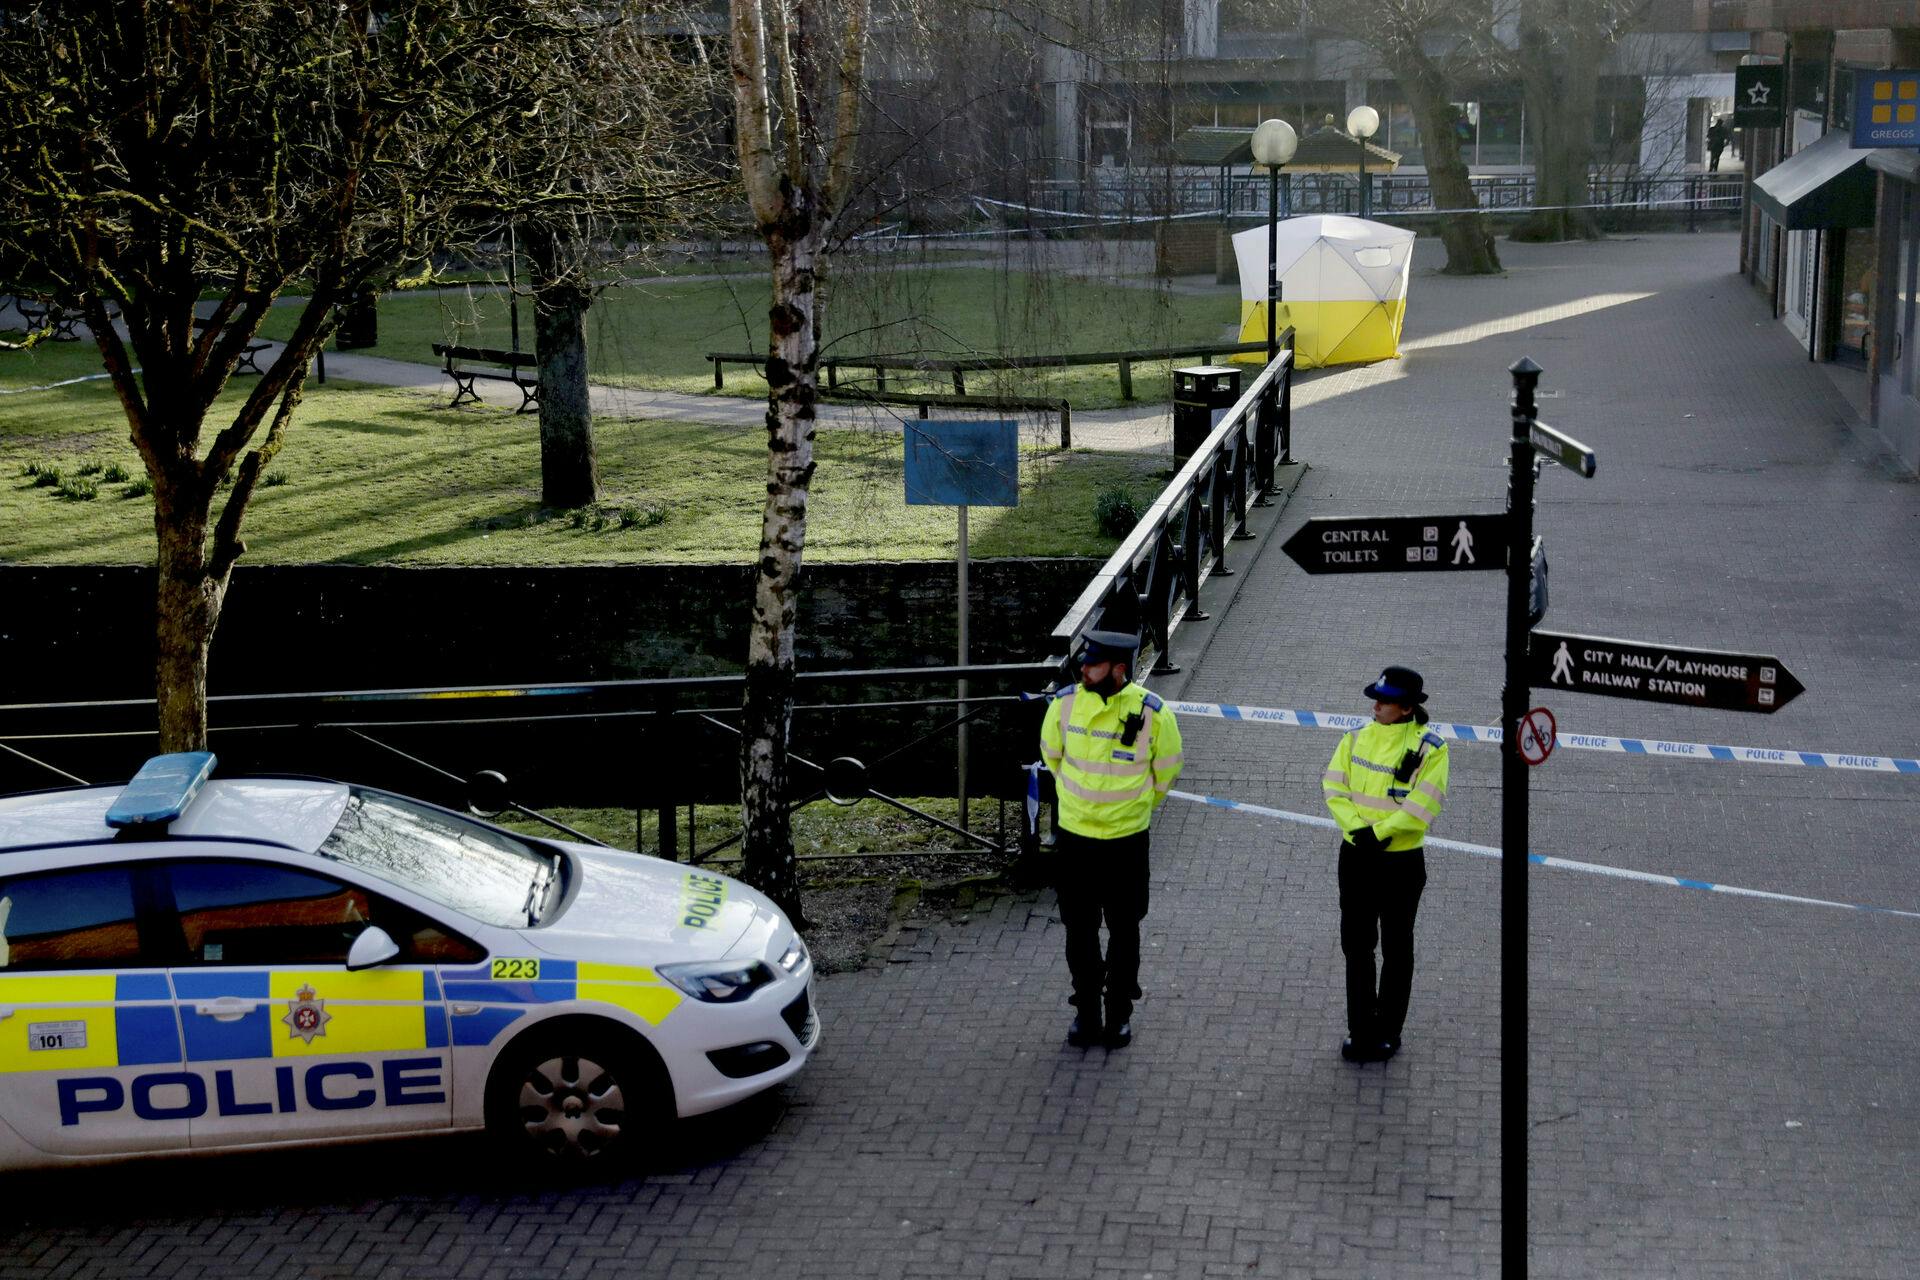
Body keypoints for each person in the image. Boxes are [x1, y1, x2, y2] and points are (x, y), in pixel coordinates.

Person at [1039, 607, 1184, 1050]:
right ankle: (1086, 1012)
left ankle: (1119, 1011)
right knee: (1079, 931)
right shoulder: (1064, 705)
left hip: (1125, 842)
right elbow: (1052, 757)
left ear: (1119, 670)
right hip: (1076, 841)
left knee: (1125, 930)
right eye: (1083, 663)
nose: (1083, 669)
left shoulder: (1153, 713)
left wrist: (1133, 808)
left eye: (1093, 664)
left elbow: (1167, 771)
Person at [1321, 666, 1449, 1064]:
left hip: (1399, 863)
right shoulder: (1354, 738)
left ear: (1407, 708)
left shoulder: (1432, 749)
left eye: (1385, 701)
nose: (1375, 706)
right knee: (1357, 947)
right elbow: (1333, 786)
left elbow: (1423, 806)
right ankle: (1360, 1030)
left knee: (1396, 947)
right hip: (1357, 856)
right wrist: (1358, 829)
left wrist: (1379, 833)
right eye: (1375, 699)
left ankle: (1388, 1030)